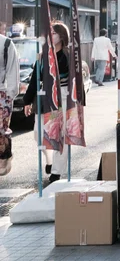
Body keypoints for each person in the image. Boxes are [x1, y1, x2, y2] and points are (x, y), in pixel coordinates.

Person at [24, 22, 70, 182]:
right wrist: (27, 101)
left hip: (63, 96)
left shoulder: (68, 55)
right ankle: (50, 159)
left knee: (60, 135)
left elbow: (75, 79)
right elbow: (34, 79)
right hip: (45, 97)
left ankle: (56, 172)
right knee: (38, 133)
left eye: (54, 33)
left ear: (62, 36)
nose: (51, 35)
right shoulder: (43, 55)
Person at [0, 31, 20, 176]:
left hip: (2, 93)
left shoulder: (6, 43)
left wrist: (10, 95)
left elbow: (13, 69)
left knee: (1, 131)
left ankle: (3, 161)